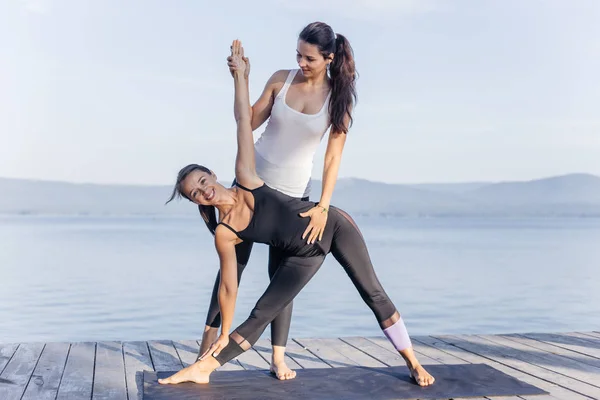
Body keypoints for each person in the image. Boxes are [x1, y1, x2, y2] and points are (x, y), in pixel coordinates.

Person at [160, 40, 435, 387]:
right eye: (195, 194)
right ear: (197, 203)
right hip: (303, 257)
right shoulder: (224, 233)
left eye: (202, 181)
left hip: (330, 226)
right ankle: (206, 365)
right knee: (262, 311)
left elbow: (245, 122)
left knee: (372, 293)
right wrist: (223, 334)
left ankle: (412, 361)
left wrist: (240, 77)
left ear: (213, 174)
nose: (203, 191)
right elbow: (228, 288)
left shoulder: (246, 177)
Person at [198, 21, 357, 380]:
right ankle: (204, 348)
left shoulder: (338, 100)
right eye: (298, 55)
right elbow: (248, 121)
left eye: (309, 58)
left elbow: (333, 158)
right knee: (229, 270)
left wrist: (323, 205)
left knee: (279, 278)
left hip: (291, 198)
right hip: (248, 188)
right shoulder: (281, 79)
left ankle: (278, 358)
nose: (301, 62)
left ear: (329, 58)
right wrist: (241, 78)